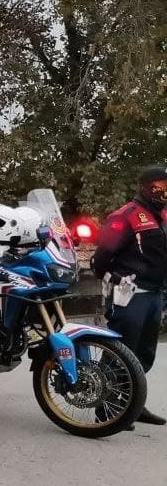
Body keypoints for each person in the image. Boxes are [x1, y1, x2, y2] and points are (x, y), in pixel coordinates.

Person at [92, 166, 167, 428]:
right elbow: (101, 258)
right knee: (119, 354)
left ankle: (132, 403)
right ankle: (107, 409)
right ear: (145, 187)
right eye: (158, 187)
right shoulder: (125, 216)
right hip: (130, 295)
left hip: (155, 294)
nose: (163, 192)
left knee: (143, 355)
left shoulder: (163, 215)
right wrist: (114, 280)